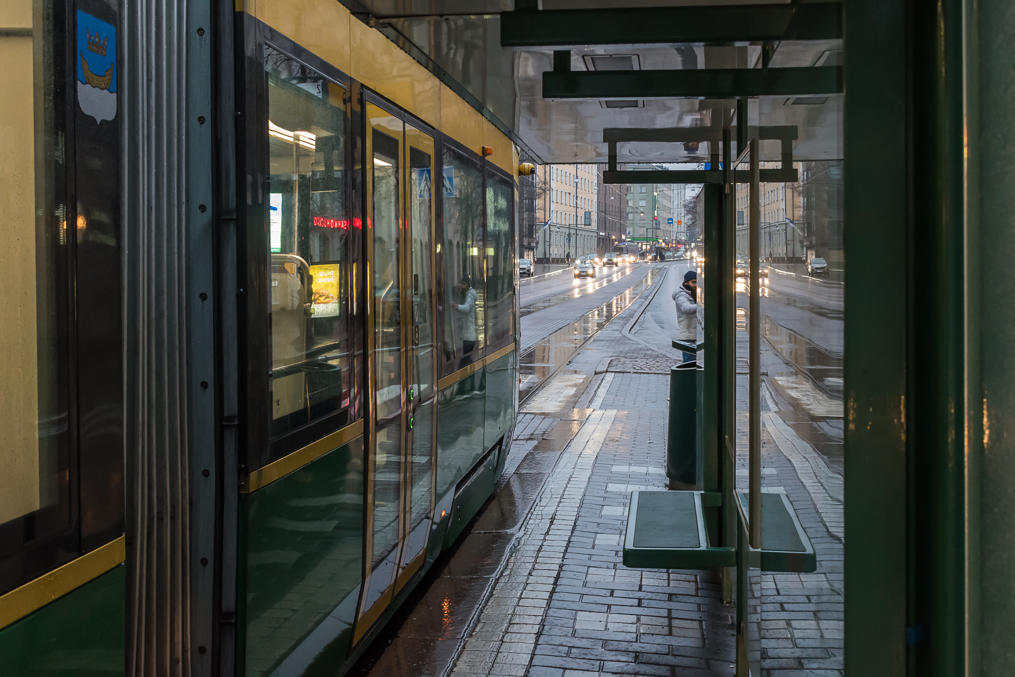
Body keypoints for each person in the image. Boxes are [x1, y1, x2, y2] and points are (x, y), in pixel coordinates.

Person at [672, 269, 699, 363]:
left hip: (695, 333)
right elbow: (686, 308)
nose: (695, 285)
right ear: (686, 283)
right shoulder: (681, 295)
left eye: (697, 282)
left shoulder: (695, 293)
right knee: (689, 363)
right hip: (687, 334)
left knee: (694, 362)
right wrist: (702, 306)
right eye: (693, 282)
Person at [455, 275, 478, 364]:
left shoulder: (470, 295)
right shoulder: (468, 293)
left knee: (465, 359)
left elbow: (467, 308)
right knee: (467, 358)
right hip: (468, 334)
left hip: (469, 335)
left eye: (462, 284)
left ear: (466, 284)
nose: (461, 286)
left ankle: (471, 373)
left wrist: (457, 306)